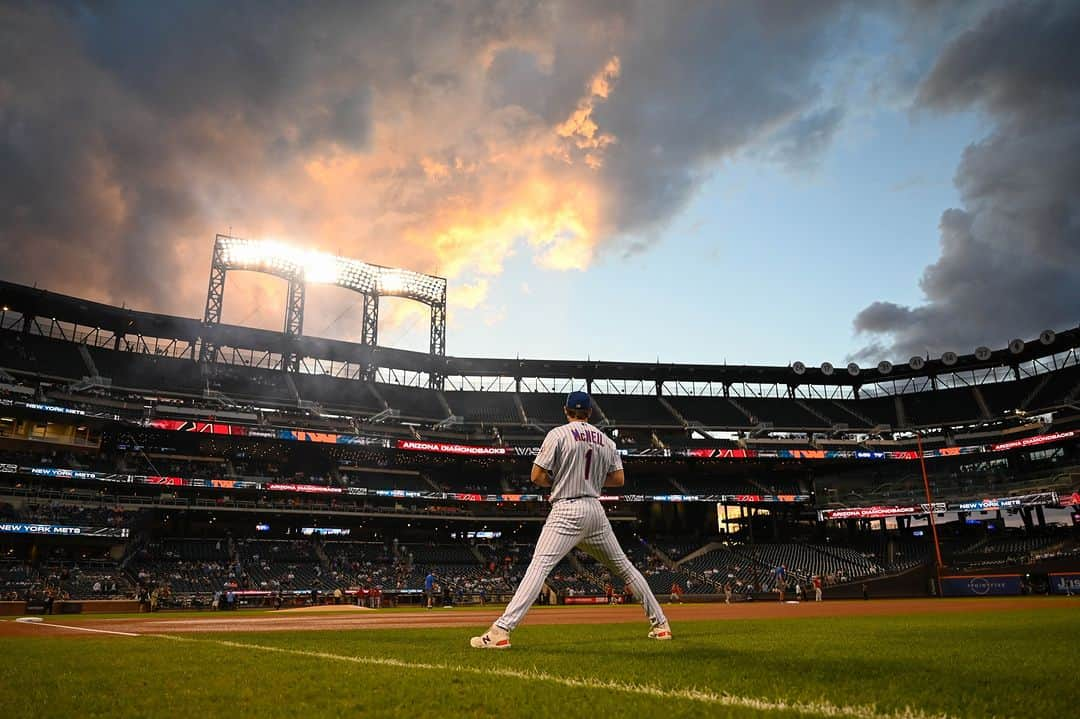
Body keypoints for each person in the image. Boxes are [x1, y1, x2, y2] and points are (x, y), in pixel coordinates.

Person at [471, 391, 670, 649]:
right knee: (625, 569)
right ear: (590, 413)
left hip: (566, 509)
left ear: (566, 411)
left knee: (539, 567)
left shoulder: (558, 434)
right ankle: (661, 625)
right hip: (595, 511)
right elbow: (619, 479)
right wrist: (595, 481)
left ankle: (501, 630)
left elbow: (536, 476)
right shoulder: (606, 440)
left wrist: (558, 481)